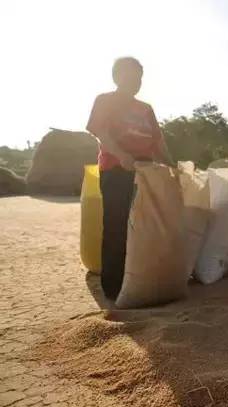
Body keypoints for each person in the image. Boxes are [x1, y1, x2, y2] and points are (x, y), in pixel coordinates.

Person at [86, 57, 173, 300]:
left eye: (139, 77)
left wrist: (171, 164)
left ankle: (141, 279)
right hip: (115, 169)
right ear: (116, 77)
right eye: (130, 76)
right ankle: (113, 287)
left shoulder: (145, 108)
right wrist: (121, 154)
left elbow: (158, 141)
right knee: (117, 225)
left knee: (144, 227)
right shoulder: (105, 101)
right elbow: (100, 131)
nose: (135, 81)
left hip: (145, 173)